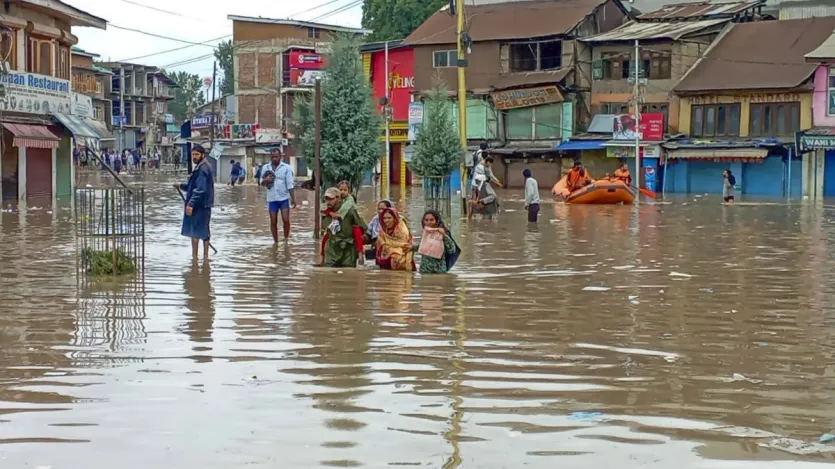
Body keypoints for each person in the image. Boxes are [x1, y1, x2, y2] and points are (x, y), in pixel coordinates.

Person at [174, 144, 214, 259]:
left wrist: (191, 204)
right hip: (203, 204)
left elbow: (200, 190)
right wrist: (181, 185)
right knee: (203, 231)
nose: (194, 157)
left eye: (197, 154)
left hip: (200, 205)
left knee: (196, 232)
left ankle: (196, 258)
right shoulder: (201, 167)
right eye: (193, 155)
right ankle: (203, 259)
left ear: (202, 155)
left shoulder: (202, 169)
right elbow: (193, 187)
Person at [321, 187, 367, 268]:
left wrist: (360, 252)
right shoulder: (325, 213)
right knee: (328, 272)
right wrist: (322, 256)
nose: (328, 201)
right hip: (332, 248)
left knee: (348, 273)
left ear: (338, 199)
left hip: (348, 248)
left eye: (331, 199)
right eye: (327, 199)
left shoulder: (350, 211)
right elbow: (326, 235)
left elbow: (361, 228)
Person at [260, 149, 296, 242]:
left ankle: (286, 239)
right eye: (272, 157)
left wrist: (293, 199)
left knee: (286, 220)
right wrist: (266, 180)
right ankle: (275, 242)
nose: (274, 159)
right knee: (273, 221)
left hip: (284, 198)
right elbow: (261, 183)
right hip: (272, 199)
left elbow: (289, 184)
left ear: (280, 157)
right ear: (270, 157)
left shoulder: (286, 168)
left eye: (276, 157)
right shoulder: (266, 168)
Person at [418, 210, 461, 274]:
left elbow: (452, 249)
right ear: (423, 221)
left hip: (439, 271)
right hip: (424, 270)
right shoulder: (425, 233)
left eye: (431, 220)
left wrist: (444, 235)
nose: (428, 222)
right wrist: (411, 248)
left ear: (437, 221)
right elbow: (424, 247)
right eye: (426, 220)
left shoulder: (443, 233)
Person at [375, 207, 415, 271]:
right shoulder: (382, 230)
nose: (386, 220)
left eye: (389, 218)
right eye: (384, 218)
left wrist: (392, 251)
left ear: (395, 219)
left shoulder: (402, 229)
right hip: (386, 257)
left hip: (401, 256)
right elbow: (380, 244)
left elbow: (404, 245)